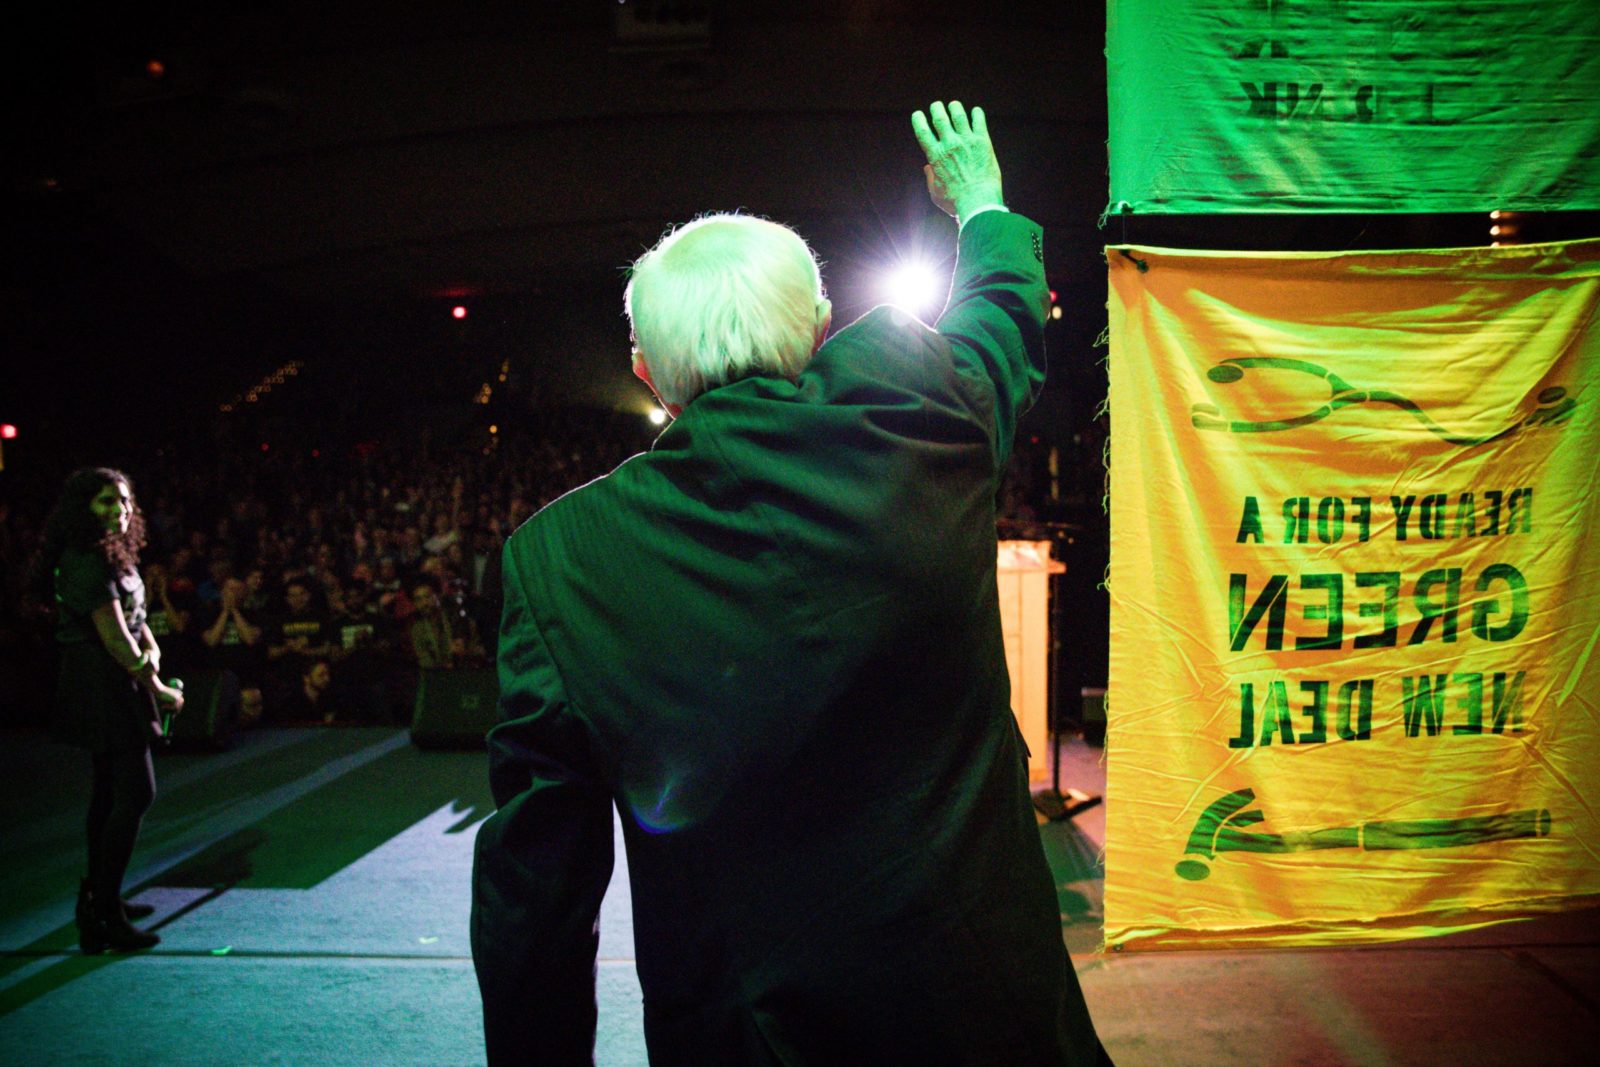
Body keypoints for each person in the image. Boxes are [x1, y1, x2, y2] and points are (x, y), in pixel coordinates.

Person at [471, 102, 1109, 1065]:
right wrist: (980, 201)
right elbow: (1002, 313)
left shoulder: (559, 560)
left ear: (647, 371)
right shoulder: (918, 406)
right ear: (817, 328)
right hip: (990, 1016)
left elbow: (536, 903)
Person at [40, 467, 184, 953]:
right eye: (106, 502)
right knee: (136, 792)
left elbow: (135, 621)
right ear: (83, 507)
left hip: (114, 679)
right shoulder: (85, 561)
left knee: (107, 794)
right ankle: (103, 914)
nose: (118, 510)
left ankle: (100, 897)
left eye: (123, 501)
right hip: (100, 682)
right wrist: (159, 687)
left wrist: (153, 649)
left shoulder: (112, 553)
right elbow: (116, 641)